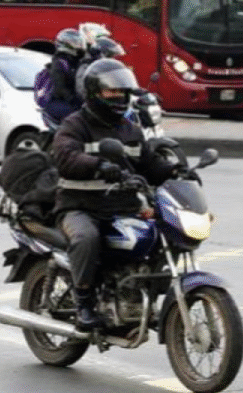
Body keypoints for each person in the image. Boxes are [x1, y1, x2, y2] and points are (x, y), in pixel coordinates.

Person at [50, 58, 177, 330]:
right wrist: (98, 165)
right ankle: (84, 302)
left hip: (122, 207)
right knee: (86, 237)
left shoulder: (130, 129)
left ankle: (139, 292)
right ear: (95, 92)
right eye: (112, 91)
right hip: (80, 206)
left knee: (163, 232)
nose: (119, 97)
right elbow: (65, 157)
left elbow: (147, 162)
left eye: (123, 91)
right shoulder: (76, 124)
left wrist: (175, 171)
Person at [40, 28, 85, 126]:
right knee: (78, 116)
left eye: (78, 43)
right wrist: (74, 100)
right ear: (65, 44)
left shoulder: (75, 61)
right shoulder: (59, 63)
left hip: (71, 100)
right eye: (74, 43)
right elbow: (60, 88)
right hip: (58, 101)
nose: (78, 46)